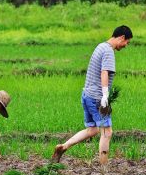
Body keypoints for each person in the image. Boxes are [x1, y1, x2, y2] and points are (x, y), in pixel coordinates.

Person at [52, 26, 132, 165]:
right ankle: (104, 168)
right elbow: (104, 72)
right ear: (122, 37)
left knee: (92, 129)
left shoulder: (100, 46)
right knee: (107, 132)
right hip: (96, 98)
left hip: (87, 95)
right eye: (127, 42)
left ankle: (64, 146)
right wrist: (105, 95)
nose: (126, 45)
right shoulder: (108, 51)